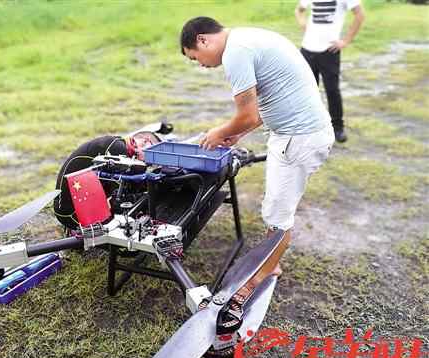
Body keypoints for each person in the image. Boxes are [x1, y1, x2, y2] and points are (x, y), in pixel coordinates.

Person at [180, 17, 335, 275]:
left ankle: (264, 273)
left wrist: (219, 132)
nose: (201, 65)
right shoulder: (247, 38)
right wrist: (238, 134)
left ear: (202, 40)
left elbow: (248, 116)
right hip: (303, 132)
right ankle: (269, 263)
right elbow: (274, 98)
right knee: (276, 206)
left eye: (195, 58)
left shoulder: (235, 52)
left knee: (278, 214)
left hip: (298, 137)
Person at [54, 131, 161, 230]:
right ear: (145, 141)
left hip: (72, 203)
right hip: (70, 213)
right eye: (153, 152)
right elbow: (117, 198)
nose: (150, 161)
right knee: (123, 216)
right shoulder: (117, 148)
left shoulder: (118, 143)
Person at [295, 0, 365, 143]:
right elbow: (299, 10)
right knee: (307, 91)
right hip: (307, 49)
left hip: (329, 51)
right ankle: (309, 128)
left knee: (332, 91)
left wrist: (345, 41)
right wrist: (303, 24)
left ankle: (337, 128)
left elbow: (360, 14)